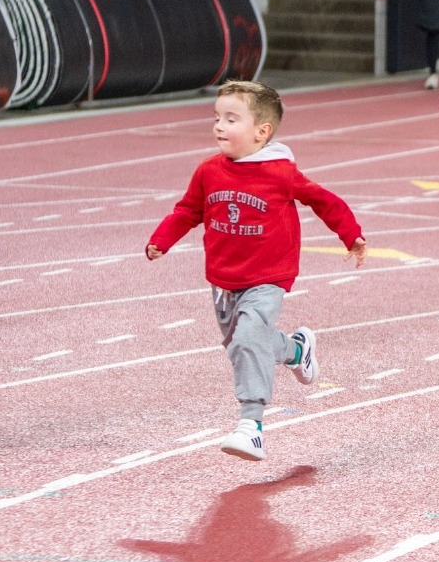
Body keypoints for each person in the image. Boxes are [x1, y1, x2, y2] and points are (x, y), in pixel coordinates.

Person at [147, 80, 367, 461]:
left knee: (250, 339)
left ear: (261, 131)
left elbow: (324, 201)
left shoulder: (280, 172)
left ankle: (252, 426)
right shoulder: (208, 171)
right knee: (243, 345)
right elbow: (187, 211)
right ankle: (297, 350)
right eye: (217, 117)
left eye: (231, 119)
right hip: (223, 279)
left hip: (269, 277)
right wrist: (161, 240)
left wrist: (352, 236)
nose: (219, 126)